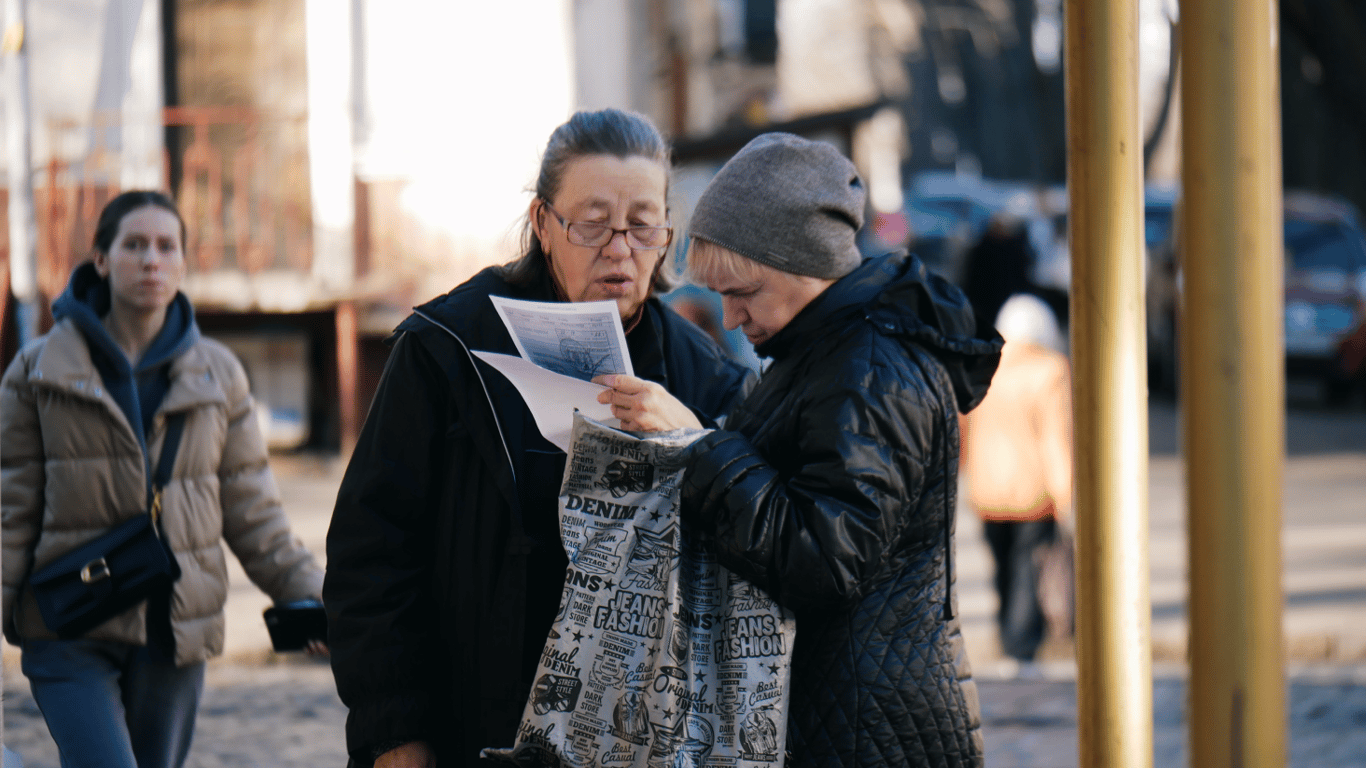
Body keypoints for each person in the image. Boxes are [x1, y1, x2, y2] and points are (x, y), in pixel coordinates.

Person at [322, 108, 755, 768]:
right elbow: (372, 548)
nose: (620, 248)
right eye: (592, 223)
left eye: (642, 224)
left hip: (642, 739)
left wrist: (695, 441)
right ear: (543, 224)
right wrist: (394, 731)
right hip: (471, 722)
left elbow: (746, 554)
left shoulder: (706, 376)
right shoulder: (450, 348)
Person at [595, 133, 1001, 767]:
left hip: (868, 733)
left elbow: (825, 562)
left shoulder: (868, 371)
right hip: (849, 716)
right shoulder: (824, 353)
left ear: (802, 265)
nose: (730, 317)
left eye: (743, 291)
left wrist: (698, 447)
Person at [1, 190, 326, 768]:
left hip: (173, 631)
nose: (151, 259)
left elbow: (253, 511)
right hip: (69, 625)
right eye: (134, 245)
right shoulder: (37, 370)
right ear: (101, 260)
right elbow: (11, 511)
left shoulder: (219, 375)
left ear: (182, 261)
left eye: (165, 246)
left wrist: (312, 596)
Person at [959, 293, 1074, 666]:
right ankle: (1020, 648)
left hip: (986, 490)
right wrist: (1065, 494)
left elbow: (962, 426)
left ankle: (1008, 636)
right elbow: (1056, 437)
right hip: (1034, 491)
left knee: (1003, 567)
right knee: (1028, 567)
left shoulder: (982, 365)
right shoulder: (1051, 370)